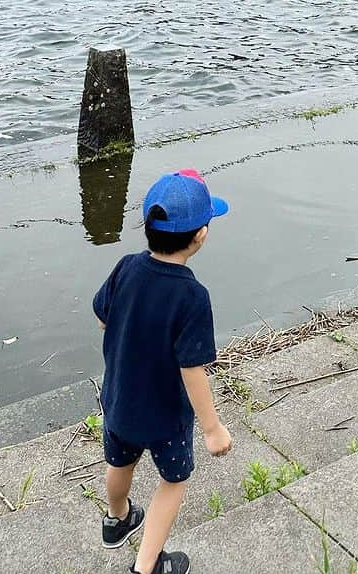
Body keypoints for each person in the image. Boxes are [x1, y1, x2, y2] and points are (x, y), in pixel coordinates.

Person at [93, 168, 233, 574]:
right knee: (173, 482)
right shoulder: (191, 296)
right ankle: (147, 566)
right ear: (200, 235)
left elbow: (102, 318)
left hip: (118, 400)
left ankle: (116, 519)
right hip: (164, 418)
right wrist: (212, 429)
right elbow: (192, 369)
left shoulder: (125, 268)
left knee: (120, 464)